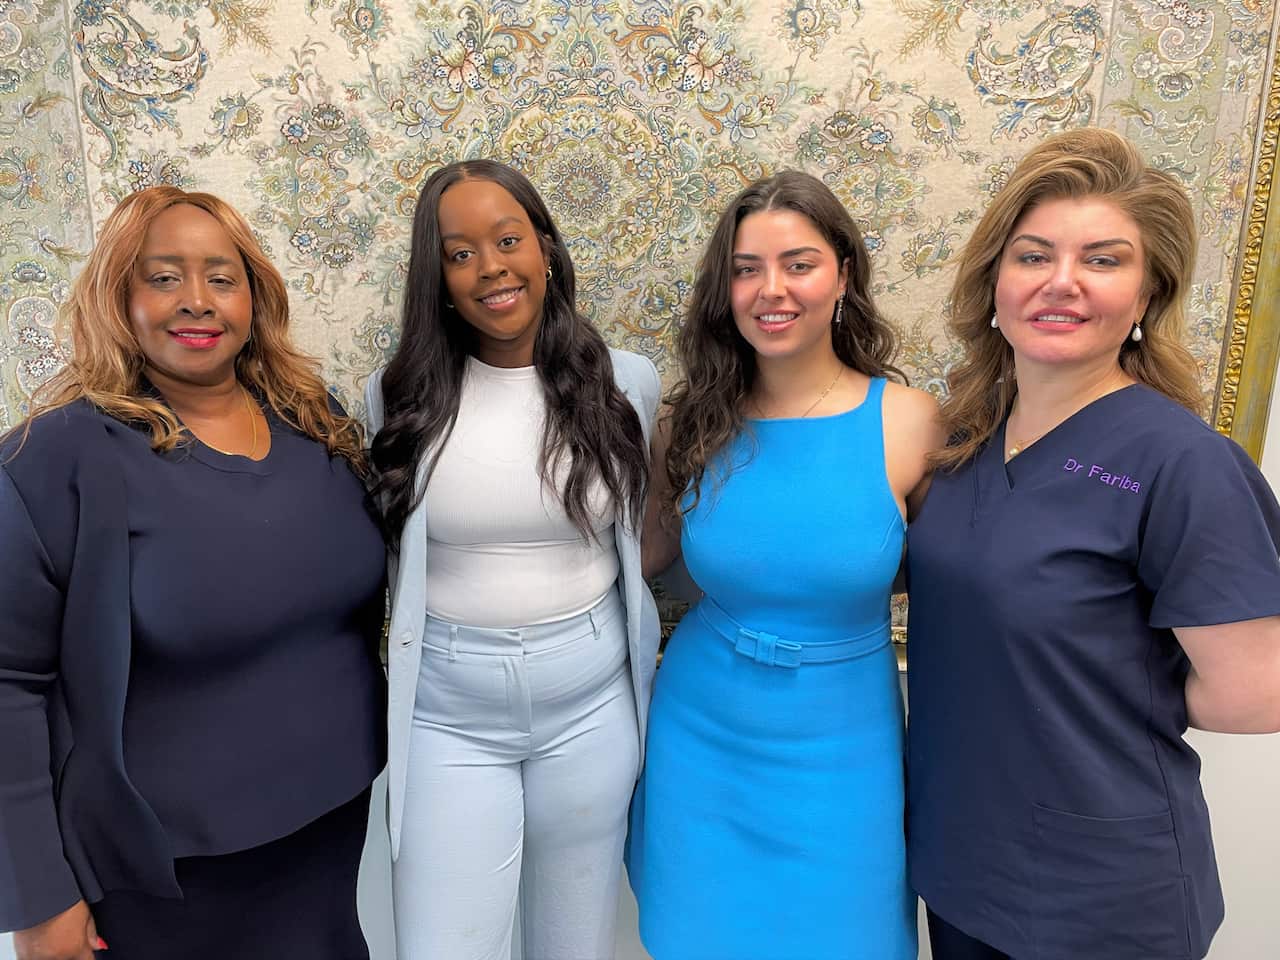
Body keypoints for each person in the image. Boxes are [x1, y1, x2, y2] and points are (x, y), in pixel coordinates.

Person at [905, 127, 1280, 960]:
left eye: (1104, 260)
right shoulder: (964, 443)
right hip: (964, 863)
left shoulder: (1183, 462)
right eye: (1033, 256)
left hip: (1101, 892)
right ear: (995, 284)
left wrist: (1115, 698)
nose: (1061, 283)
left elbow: (1258, 693)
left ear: (1147, 296)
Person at [0, 187, 387, 959]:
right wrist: (39, 901)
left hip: (330, 829)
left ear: (254, 296)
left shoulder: (317, 419)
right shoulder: (53, 457)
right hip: (167, 877)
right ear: (119, 297)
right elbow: (7, 686)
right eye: (163, 276)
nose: (197, 302)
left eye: (221, 276)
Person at [628, 170, 942, 959]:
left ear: (843, 275)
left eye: (798, 263)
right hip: (701, 734)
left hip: (847, 744)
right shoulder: (687, 418)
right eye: (745, 268)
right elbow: (647, 557)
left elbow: (951, 582)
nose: (772, 289)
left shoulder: (911, 423)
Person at [365, 159, 661, 960]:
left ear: (548, 249)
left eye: (508, 240)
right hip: (446, 718)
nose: (490, 267)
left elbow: (653, 541)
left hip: (592, 709)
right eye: (460, 254)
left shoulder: (627, 383)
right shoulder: (393, 399)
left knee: (577, 945)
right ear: (439, 280)